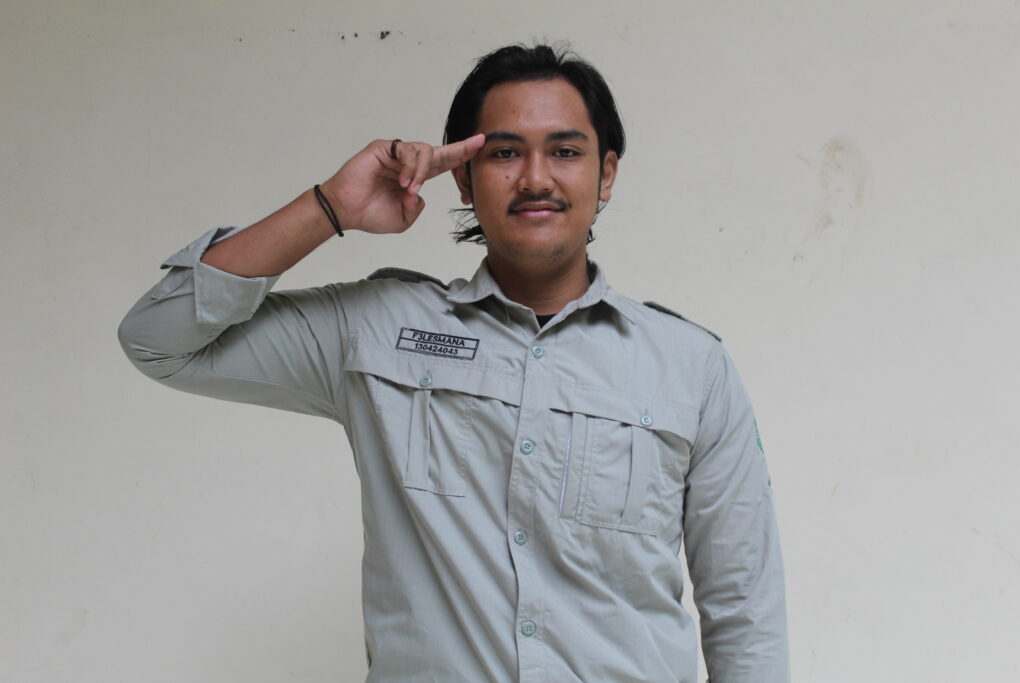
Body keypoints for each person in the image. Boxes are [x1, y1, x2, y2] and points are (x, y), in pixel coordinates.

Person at [118, 43, 789, 682]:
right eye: (505, 153)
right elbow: (157, 337)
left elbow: (745, 609)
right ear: (463, 178)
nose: (535, 178)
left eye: (565, 151)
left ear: (605, 172)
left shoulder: (692, 367)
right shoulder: (377, 329)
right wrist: (331, 207)